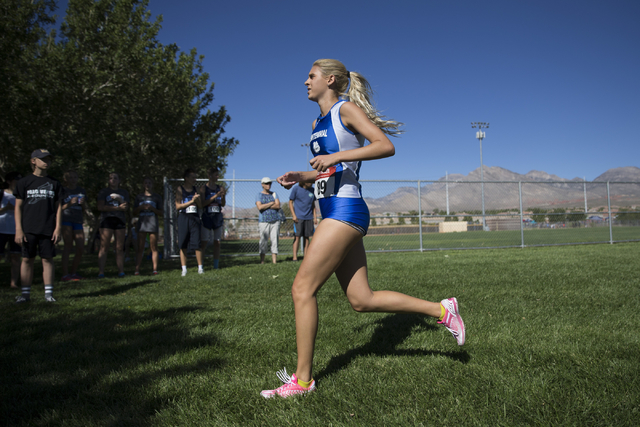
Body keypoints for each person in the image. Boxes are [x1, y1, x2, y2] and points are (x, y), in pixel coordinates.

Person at [261, 59, 465, 398]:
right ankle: (443, 310)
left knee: (302, 289)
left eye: (311, 76)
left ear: (330, 79)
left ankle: (302, 382)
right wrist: (304, 176)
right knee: (361, 299)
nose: (305, 82)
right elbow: (332, 167)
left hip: (344, 209)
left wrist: (335, 159)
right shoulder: (317, 122)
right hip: (332, 210)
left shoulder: (346, 110)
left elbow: (385, 145)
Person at [14, 149, 62, 302]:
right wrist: (19, 229)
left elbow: (59, 207)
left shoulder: (55, 183)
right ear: (33, 161)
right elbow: (18, 207)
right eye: (42, 159)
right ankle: (25, 295)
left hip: (48, 228)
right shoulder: (24, 182)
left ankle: (48, 295)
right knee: (27, 259)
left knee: (47, 259)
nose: (46, 162)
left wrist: (58, 227)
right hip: (28, 228)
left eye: (48, 159)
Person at [97, 172, 129, 278]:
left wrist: (121, 205)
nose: (113, 180)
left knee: (119, 247)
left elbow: (126, 206)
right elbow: (100, 207)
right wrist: (117, 208)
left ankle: (121, 271)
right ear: (108, 180)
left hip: (120, 220)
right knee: (104, 246)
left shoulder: (123, 192)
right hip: (107, 220)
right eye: (111, 178)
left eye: (115, 178)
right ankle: (101, 272)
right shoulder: (104, 192)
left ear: (119, 180)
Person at [176, 168, 203, 276]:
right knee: (183, 243)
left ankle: (200, 268)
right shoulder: (180, 189)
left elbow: (200, 206)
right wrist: (191, 201)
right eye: (193, 177)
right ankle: (184, 269)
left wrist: (197, 201)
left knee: (197, 243)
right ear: (186, 178)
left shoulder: (196, 189)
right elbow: (178, 206)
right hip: (184, 217)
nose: (195, 179)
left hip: (195, 218)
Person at [60, 170, 86, 281]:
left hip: (78, 220)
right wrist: (69, 203)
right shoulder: (63, 191)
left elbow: (84, 207)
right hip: (66, 219)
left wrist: (83, 203)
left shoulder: (81, 190)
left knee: (80, 247)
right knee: (68, 246)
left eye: (75, 177)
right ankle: (65, 274)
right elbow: (59, 208)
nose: (73, 179)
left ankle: (74, 272)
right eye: (70, 177)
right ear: (66, 179)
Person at [133, 177, 162, 275]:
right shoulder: (139, 197)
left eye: (149, 183)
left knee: (153, 246)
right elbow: (134, 212)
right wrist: (140, 207)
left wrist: (152, 208)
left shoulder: (156, 197)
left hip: (152, 223)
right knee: (140, 247)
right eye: (145, 183)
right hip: (142, 223)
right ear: (143, 185)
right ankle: (137, 269)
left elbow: (161, 212)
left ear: (152, 185)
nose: (147, 185)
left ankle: (155, 269)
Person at [199, 167, 226, 269]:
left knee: (217, 242)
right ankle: (201, 265)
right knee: (204, 242)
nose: (218, 177)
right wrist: (215, 196)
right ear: (210, 176)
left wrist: (222, 196)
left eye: (218, 175)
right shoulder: (203, 188)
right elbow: (202, 204)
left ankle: (216, 265)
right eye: (216, 175)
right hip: (207, 216)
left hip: (217, 217)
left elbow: (223, 204)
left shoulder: (220, 188)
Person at [0, 172, 23, 288]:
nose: (18, 182)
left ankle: (14, 283)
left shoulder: (21, 195)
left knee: (15, 256)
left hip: (16, 231)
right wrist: (6, 208)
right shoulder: (1, 193)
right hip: (1, 229)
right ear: (9, 181)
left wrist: (15, 209)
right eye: (16, 180)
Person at [288, 181, 317, 261]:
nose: (311, 182)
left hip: (309, 217)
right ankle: (295, 257)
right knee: (297, 237)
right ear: (304, 181)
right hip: (298, 217)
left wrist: (315, 217)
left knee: (306, 237)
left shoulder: (312, 190)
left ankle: (306, 257)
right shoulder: (296, 189)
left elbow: (313, 205)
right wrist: (294, 215)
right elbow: (290, 202)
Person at [255, 177, 281, 264]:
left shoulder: (274, 194)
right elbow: (260, 207)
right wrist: (271, 203)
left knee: (275, 240)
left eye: (269, 183)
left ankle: (274, 261)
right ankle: (262, 261)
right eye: (266, 183)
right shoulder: (259, 195)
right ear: (262, 184)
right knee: (263, 241)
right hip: (264, 221)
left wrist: (265, 205)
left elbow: (278, 206)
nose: (268, 185)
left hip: (275, 220)